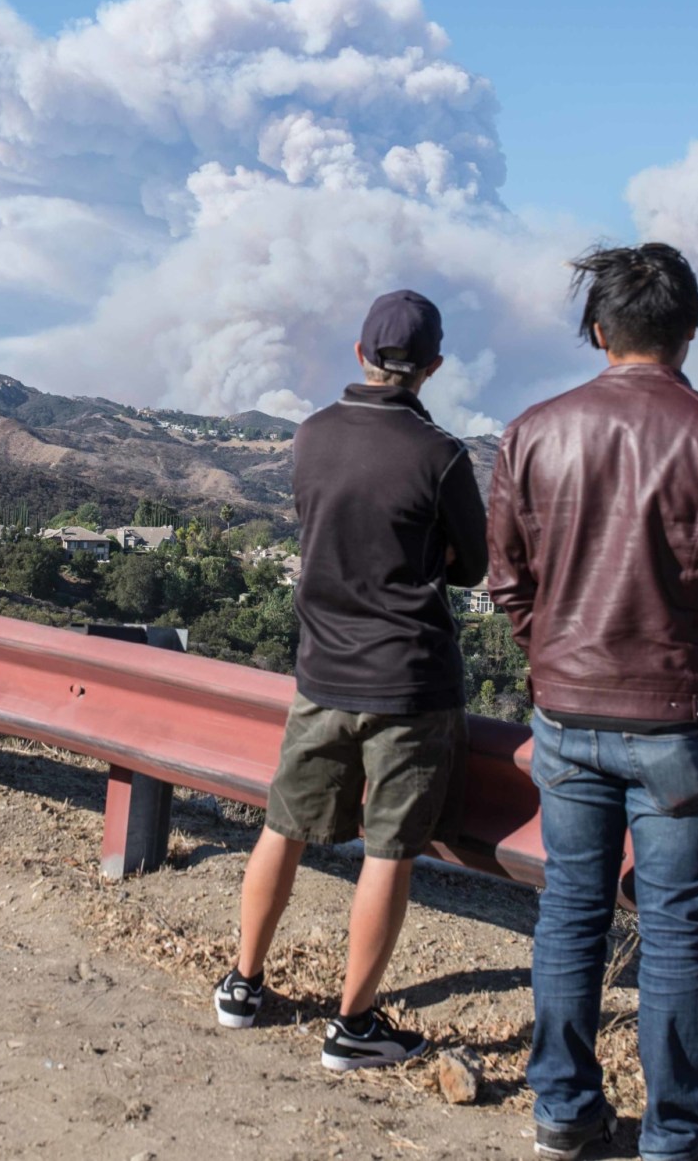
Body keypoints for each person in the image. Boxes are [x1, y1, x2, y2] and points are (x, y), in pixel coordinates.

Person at [487, 244, 698, 1161]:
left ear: (599, 331)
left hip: (567, 720)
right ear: (689, 333)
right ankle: (675, 1137)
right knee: (677, 934)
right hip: (686, 726)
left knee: (570, 910)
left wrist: (553, 666)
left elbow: (508, 583)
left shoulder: (533, 430)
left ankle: (565, 1112)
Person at [214, 288, 488, 1071]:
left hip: (320, 673)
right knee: (389, 851)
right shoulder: (441, 456)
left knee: (283, 825)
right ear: (433, 366)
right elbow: (474, 565)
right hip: (407, 685)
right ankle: (354, 1023)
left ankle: (243, 982)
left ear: (360, 355)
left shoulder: (310, 436)